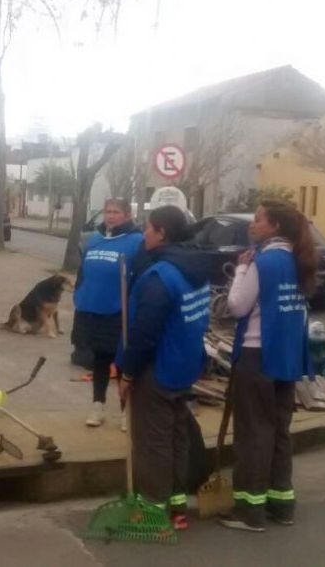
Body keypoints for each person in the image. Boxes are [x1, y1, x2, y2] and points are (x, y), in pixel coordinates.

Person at [219, 200, 315, 532]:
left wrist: (242, 269)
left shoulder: (264, 261)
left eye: (258, 220)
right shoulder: (296, 260)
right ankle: (281, 504)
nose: (252, 224)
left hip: (256, 355)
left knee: (253, 433)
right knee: (278, 431)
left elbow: (237, 305)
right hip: (285, 357)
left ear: (274, 226)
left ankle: (249, 511)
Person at [117, 205, 212, 531]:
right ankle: (177, 506)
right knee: (177, 439)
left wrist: (128, 373)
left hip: (158, 371)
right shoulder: (195, 270)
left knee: (152, 443)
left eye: (149, 228)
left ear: (162, 233)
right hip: (185, 366)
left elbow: (143, 335)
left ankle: (152, 511)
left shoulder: (161, 278)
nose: (144, 233)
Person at [72, 198, 143, 429]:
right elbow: (83, 272)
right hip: (91, 310)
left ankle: (126, 411)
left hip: (118, 313)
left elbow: (140, 279)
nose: (111, 216)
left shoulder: (136, 241)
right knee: (99, 360)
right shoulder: (95, 239)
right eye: (107, 212)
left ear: (127, 215)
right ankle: (97, 405)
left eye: (116, 212)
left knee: (121, 362)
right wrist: (79, 295)